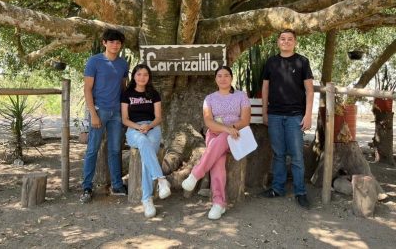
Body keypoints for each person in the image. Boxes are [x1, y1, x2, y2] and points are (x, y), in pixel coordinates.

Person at [182, 65, 251, 220]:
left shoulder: (241, 96)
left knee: (221, 139)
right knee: (218, 161)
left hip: (238, 136)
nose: (223, 78)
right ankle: (219, 204)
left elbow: (245, 120)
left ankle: (196, 174)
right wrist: (227, 129)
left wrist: (231, 129)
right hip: (216, 135)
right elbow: (208, 122)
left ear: (231, 78)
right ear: (215, 79)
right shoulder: (210, 99)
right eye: (219, 76)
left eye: (226, 75)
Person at [259, 29, 314, 209]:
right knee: (278, 154)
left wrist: (307, 115)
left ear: (295, 42)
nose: (286, 42)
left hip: (295, 116)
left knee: (297, 156)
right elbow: (265, 88)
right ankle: (277, 188)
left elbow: (309, 90)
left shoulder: (302, 62)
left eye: (290, 39)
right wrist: (265, 112)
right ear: (278, 42)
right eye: (283, 39)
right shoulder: (271, 62)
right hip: (274, 115)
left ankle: (300, 192)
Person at [80, 28, 129, 204]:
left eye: (118, 42)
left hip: (116, 112)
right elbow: (87, 89)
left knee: (115, 150)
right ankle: (87, 186)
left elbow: (123, 88)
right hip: (99, 111)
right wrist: (93, 114)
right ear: (104, 43)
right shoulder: (94, 61)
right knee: (92, 149)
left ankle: (117, 185)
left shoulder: (123, 64)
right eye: (112, 42)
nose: (115, 45)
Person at [121, 64, 171, 218]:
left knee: (145, 159)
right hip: (133, 130)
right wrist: (139, 127)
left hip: (153, 128)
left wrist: (148, 126)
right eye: (139, 74)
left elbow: (158, 118)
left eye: (145, 75)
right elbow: (125, 119)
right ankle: (162, 180)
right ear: (134, 76)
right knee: (142, 142)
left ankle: (147, 199)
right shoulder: (126, 94)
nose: (142, 77)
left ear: (149, 77)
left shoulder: (153, 94)